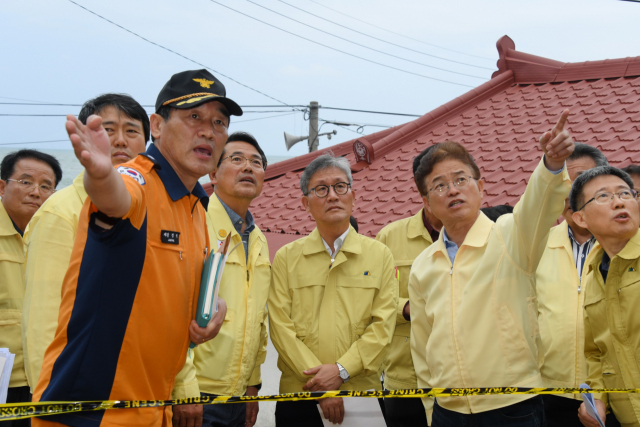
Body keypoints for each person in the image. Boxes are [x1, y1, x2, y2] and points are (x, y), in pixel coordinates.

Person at [32, 69, 238, 427]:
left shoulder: (195, 206)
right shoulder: (137, 178)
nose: (208, 130)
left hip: (152, 410)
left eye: (219, 122)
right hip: (92, 413)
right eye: (193, 117)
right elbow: (118, 199)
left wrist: (212, 307)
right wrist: (100, 175)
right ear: (156, 126)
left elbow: (165, 289)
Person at [409, 110, 575, 426]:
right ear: (427, 203)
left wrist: (551, 164)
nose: (453, 190)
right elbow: (421, 345)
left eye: (460, 179)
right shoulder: (423, 266)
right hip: (449, 411)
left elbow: (539, 201)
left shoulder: (510, 235)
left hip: (513, 405)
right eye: (439, 185)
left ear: (481, 187)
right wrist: (432, 408)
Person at [21, 93, 149, 393]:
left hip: (137, 390)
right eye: (107, 130)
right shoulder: (60, 212)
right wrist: (52, 402)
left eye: (131, 131)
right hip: (78, 393)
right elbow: (42, 322)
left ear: (147, 143)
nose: (119, 141)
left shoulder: (150, 211)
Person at [268, 154, 398, 426]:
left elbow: (383, 325)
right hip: (299, 395)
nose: (333, 196)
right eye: (321, 189)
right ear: (306, 203)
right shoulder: (286, 258)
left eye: (341, 186)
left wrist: (342, 371)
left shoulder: (380, 255)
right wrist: (319, 383)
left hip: (360, 395)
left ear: (353, 195)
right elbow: (281, 328)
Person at [171, 132, 270, 427]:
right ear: (213, 172)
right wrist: (184, 388)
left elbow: (258, 319)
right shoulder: (193, 221)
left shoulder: (259, 239)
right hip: (195, 392)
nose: (248, 168)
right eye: (237, 159)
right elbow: (172, 313)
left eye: (256, 162)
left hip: (238, 395)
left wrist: (253, 384)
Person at [535, 143, 612, 427]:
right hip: (545, 394)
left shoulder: (627, 246)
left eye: (582, 183)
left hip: (614, 396)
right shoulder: (536, 244)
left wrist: (602, 392)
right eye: (565, 184)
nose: (572, 194)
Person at [375, 145, 442, 427]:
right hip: (404, 378)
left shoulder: (484, 235)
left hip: (463, 380)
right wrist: (405, 307)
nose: (450, 189)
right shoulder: (390, 236)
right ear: (422, 191)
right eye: (438, 182)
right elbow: (371, 301)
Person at [570, 166, 640, 427]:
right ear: (580, 218)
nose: (619, 201)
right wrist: (597, 399)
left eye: (625, 193)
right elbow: (596, 354)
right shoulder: (594, 278)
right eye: (603, 196)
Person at [0, 150, 61, 427]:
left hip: (45, 376)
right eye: (25, 182)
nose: (36, 192)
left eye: (46, 186)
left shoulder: (58, 238)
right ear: (2, 186)